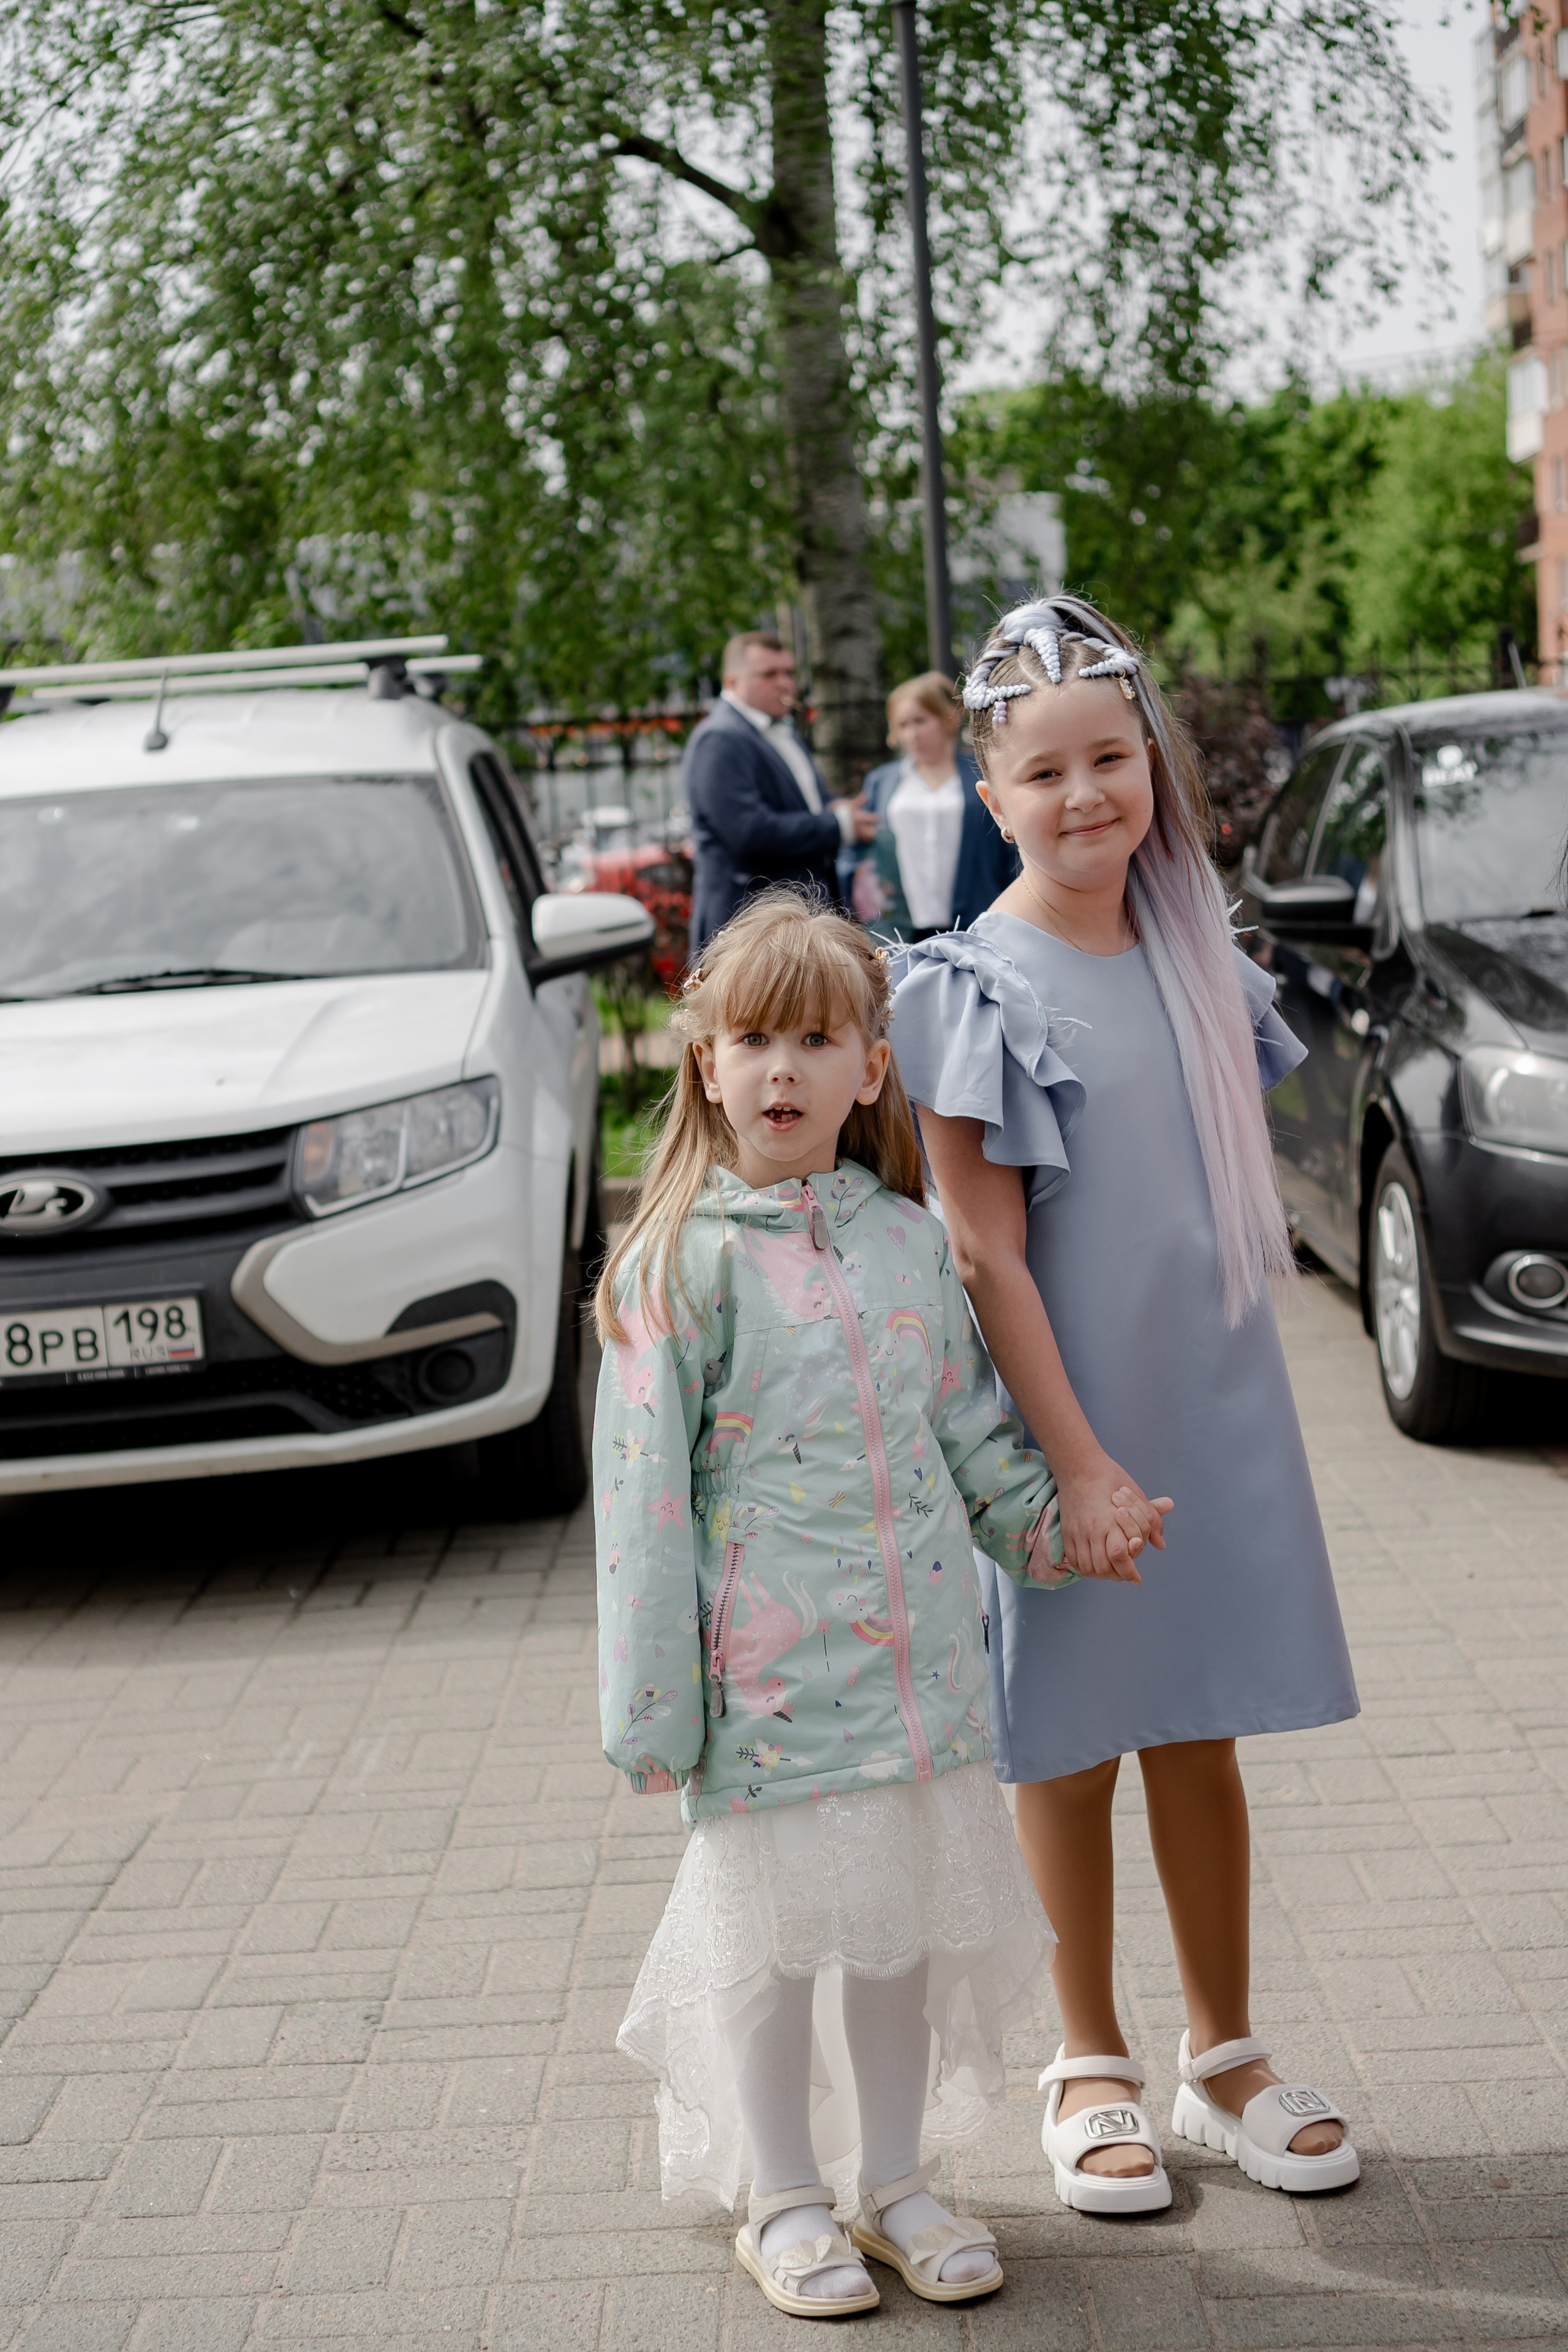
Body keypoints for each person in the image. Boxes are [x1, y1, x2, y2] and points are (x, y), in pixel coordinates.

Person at [889, 595, 1362, 2216]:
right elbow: (987, 1253)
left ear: (1148, 764)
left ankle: (1222, 2053)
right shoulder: (971, 986)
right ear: (993, 794)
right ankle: (1085, 2059)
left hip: (1209, 1413)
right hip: (1064, 1433)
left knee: (1202, 1731)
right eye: (1048, 773)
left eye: (1114, 759)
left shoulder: (1199, 964)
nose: (1088, 795)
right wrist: (1075, 1467)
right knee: (1070, 1744)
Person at [592, 894, 1117, 2320]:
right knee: (765, 1952)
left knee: (892, 1934)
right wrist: (650, 1705)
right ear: (701, 1062)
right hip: (760, 1695)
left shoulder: (902, 1242)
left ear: (868, 1069)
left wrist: (1056, 1530)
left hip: (921, 1680)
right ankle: (779, 2192)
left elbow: (974, 1436)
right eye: (751, 1037)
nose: (781, 1067)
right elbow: (638, 1509)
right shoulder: (674, 1268)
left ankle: (894, 2177)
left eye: (814, 1039)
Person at [685, 631, 878, 952]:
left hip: (792, 923)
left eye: (789, 673)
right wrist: (838, 825)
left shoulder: (780, 730)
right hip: (748, 930)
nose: (785, 683)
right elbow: (749, 832)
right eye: (769, 674)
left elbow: (799, 806)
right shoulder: (720, 739)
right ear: (731, 682)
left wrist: (833, 808)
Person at [842, 672, 1019, 940]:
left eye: (921, 721)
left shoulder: (981, 775)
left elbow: (1009, 849)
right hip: (900, 927)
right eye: (903, 725)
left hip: (978, 920)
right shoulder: (882, 782)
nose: (912, 734)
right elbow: (863, 857)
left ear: (949, 717)